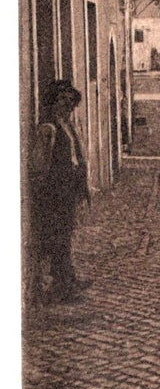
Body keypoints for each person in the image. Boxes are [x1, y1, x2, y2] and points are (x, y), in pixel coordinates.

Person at [30, 79, 90, 303]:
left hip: (68, 191)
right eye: (63, 101)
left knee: (65, 236)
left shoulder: (66, 125)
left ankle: (68, 280)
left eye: (71, 102)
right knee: (57, 239)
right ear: (53, 102)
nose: (68, 106)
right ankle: (61, 287)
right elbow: (39, 164)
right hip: (55, 193)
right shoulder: (49, 127)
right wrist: (45, 191)